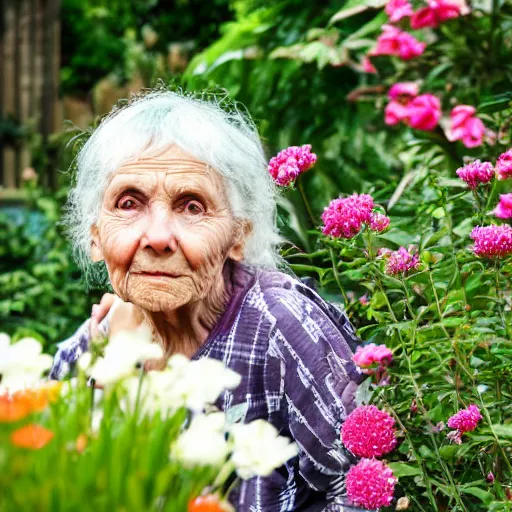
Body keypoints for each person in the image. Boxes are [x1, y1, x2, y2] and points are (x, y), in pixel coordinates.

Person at [50, 90, 364, 511]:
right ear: (95, 237)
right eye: (129, 203)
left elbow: (363, 485)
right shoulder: (85, 353)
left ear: (239, 235)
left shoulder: (282, 327)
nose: (159, 236)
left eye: (192, 206)